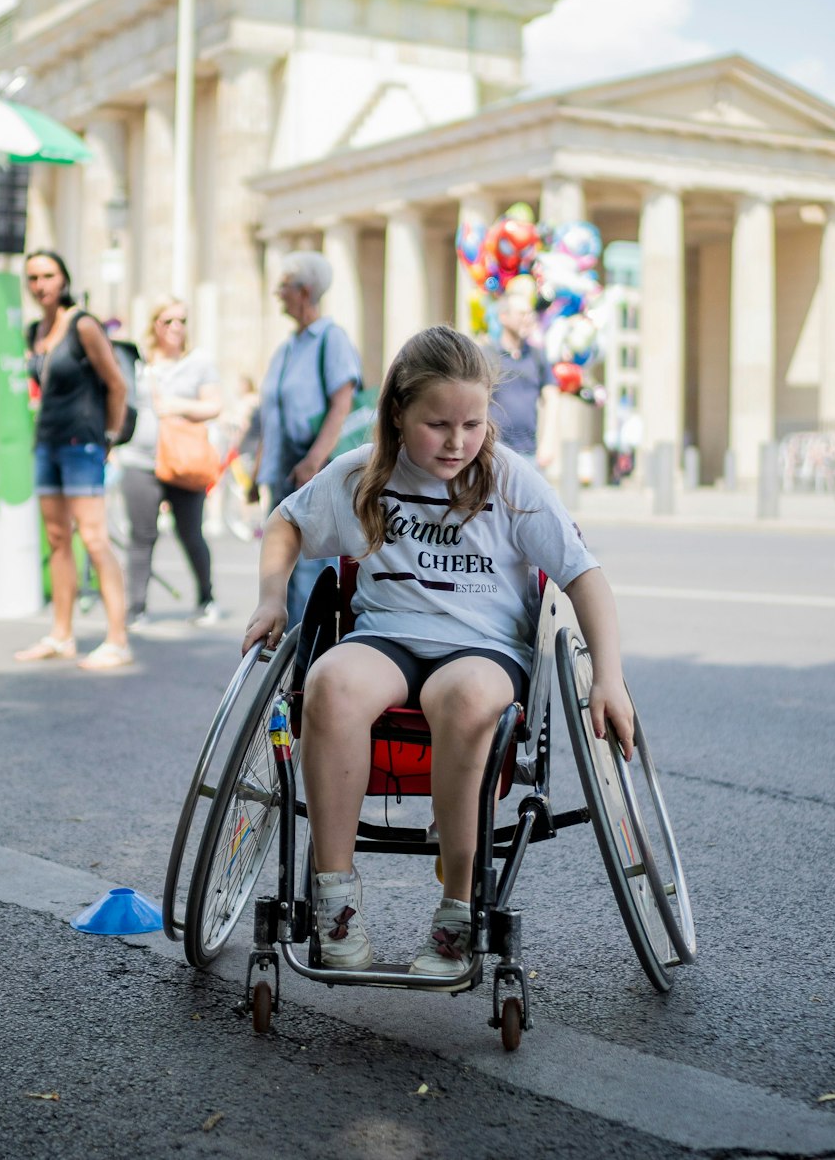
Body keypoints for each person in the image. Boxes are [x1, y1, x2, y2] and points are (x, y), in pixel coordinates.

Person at [242, 325, 634, 978]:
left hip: (482, 647)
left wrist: (609, 677)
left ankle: (458, 905)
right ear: (398, 413)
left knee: (468, 697)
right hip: (387, 637)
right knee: (330, 682)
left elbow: (583, 576)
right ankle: (334, 899)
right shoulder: (364, 474)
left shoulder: (510, 482)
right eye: (438, 425)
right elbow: (286, 521)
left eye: (472, 424)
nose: (456, 442)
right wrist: (271, 598)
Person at [15, 250, 133, 670]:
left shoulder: (83, 324)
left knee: (95, 539)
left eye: (48, 275)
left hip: (82, 443)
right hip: (46, 442)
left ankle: (117, 640)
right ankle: (61, 635)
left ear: (64, 279)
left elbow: (116, 384)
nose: (40, 284)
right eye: (33, 277)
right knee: (57, 539)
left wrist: (109, 438)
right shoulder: (35, 330)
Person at [256, 250, 361, 624]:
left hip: (312, 469)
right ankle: (288, 641)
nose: (277, 293)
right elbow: (273, 414)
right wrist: (259, 469)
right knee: (279, 563)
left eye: (284, 285)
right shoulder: (288, 348)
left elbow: (342, 404)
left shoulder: (330, 339)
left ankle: (309, 646)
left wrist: (314, 461)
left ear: (304, 291)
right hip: (284, 469)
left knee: (309, 570)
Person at [115, 296, 224, 626]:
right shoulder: (138, 362)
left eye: (182, 321)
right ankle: (136, 608)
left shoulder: (198, 362)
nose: (177, 327)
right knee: (141, 536)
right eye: (168, 321)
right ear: (154, 325)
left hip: (184, 461)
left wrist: (178, 406)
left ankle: (206, 599)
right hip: (139, 460)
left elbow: (214, 405)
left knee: (190, 533)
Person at [488, 294, 558, 469]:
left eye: (530, 314)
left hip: (529, 455)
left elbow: (552, 397)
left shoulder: (537, 356)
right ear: (503, 317)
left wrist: (548, 442)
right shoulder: (487, 354)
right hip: (493, 453)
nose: (528, 319)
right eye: (521, 314)